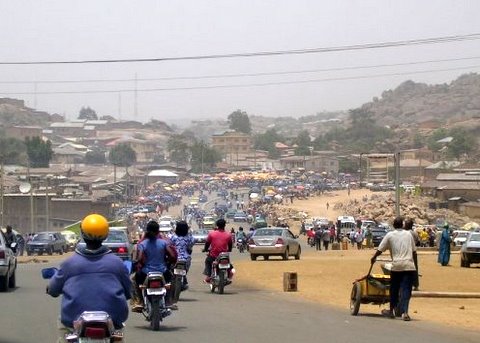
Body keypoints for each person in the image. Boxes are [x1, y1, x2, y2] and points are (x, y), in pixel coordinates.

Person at [47, 214, 131, 342]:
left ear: (82, 233)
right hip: (113, 321)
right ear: (106, 235)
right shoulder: (117, 263)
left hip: (73, 321)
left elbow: (53, 290)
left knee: (63, 331)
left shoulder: (69, 263)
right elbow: (129, 292)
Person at [371, 216, 417, 321]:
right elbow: (414, 252)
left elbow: (380, 249)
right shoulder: (409, 234)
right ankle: (405, 312)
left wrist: (374, 257)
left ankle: (391, 310)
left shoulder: (390, 235)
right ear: (402, 225)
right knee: (406, 290)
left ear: (393, 225)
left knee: (394, 289)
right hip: (409, 266)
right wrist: (415, 266)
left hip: (396, 266)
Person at [131, 220, 177, 312]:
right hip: (163, 272)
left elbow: (139, 259)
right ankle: (168, 301)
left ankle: (139, 301)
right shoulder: (163, 242)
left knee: (134, 280)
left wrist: (136, 263)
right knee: (172, 279)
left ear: (147, 231)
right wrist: (168, 262)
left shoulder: (142, 244)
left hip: (145, 273)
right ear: (158, 231)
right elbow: (172, 256)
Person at [203, 218, 232, 283]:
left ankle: (208, 276)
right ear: (224, 225)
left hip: (213, 256)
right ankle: (228, 277)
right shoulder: (228, 235)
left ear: (217, 225)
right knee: (229, 266)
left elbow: (207, 243)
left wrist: (205, 249)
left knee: (207, 261)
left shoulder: (211, 234)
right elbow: (230, 245)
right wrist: (229, 250)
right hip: (224, 256)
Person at [170, 221, 195, 291]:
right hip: (186, 259)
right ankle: (184, 280)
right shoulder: (190, 238)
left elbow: (169, 245)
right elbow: (190, 246)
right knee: (184, 271)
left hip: (174, 259)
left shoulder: (172, 237)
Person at [404, 218, 420, 290]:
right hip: (414, 252)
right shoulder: (414, 233)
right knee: (415, 268)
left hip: (406, 252)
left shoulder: (406, 233)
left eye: (405, 224)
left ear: (408, 225)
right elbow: (418, 242)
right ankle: (415, 284)